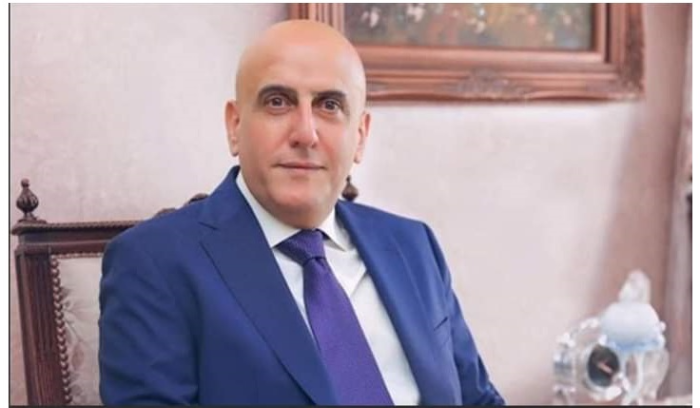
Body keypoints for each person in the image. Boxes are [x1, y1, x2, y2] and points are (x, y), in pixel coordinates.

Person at [99, 19, 505, 406]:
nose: (306, 133)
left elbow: (478, 399)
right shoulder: (154, 262)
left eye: (329, 105)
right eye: (278, 102)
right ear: (235, 125)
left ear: (360, 136)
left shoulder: (413, 245)